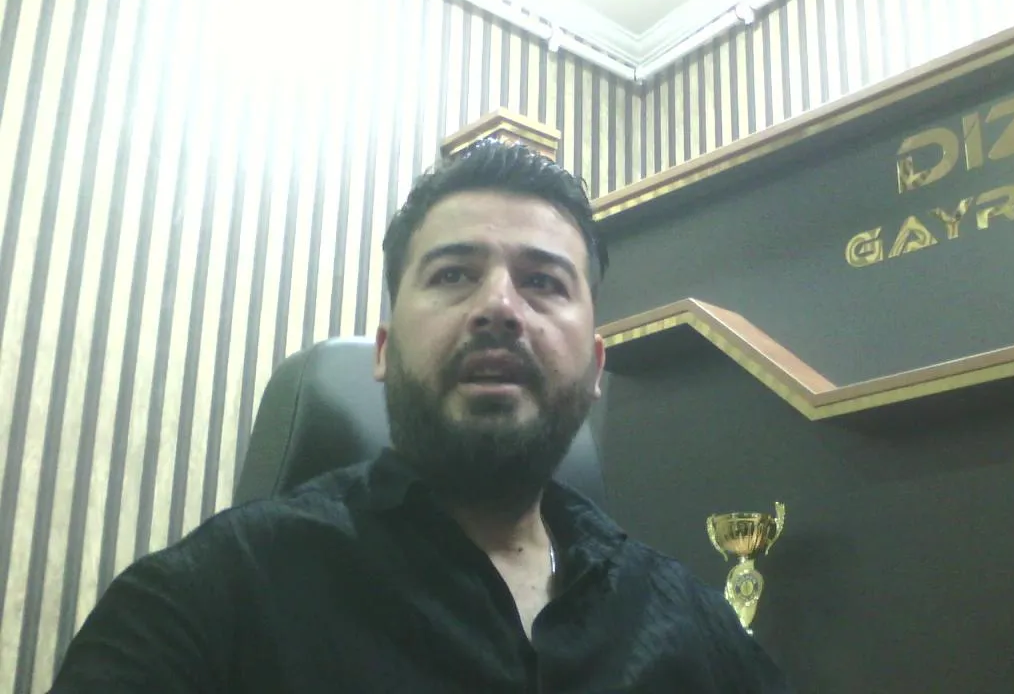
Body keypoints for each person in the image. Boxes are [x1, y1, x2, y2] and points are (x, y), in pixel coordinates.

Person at [50, 140, 793, 693]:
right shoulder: (214, 598)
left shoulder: (691, 626)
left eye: (542, 282)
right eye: (453, 274)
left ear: (597, 368)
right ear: (384, 350)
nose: (499, 307)